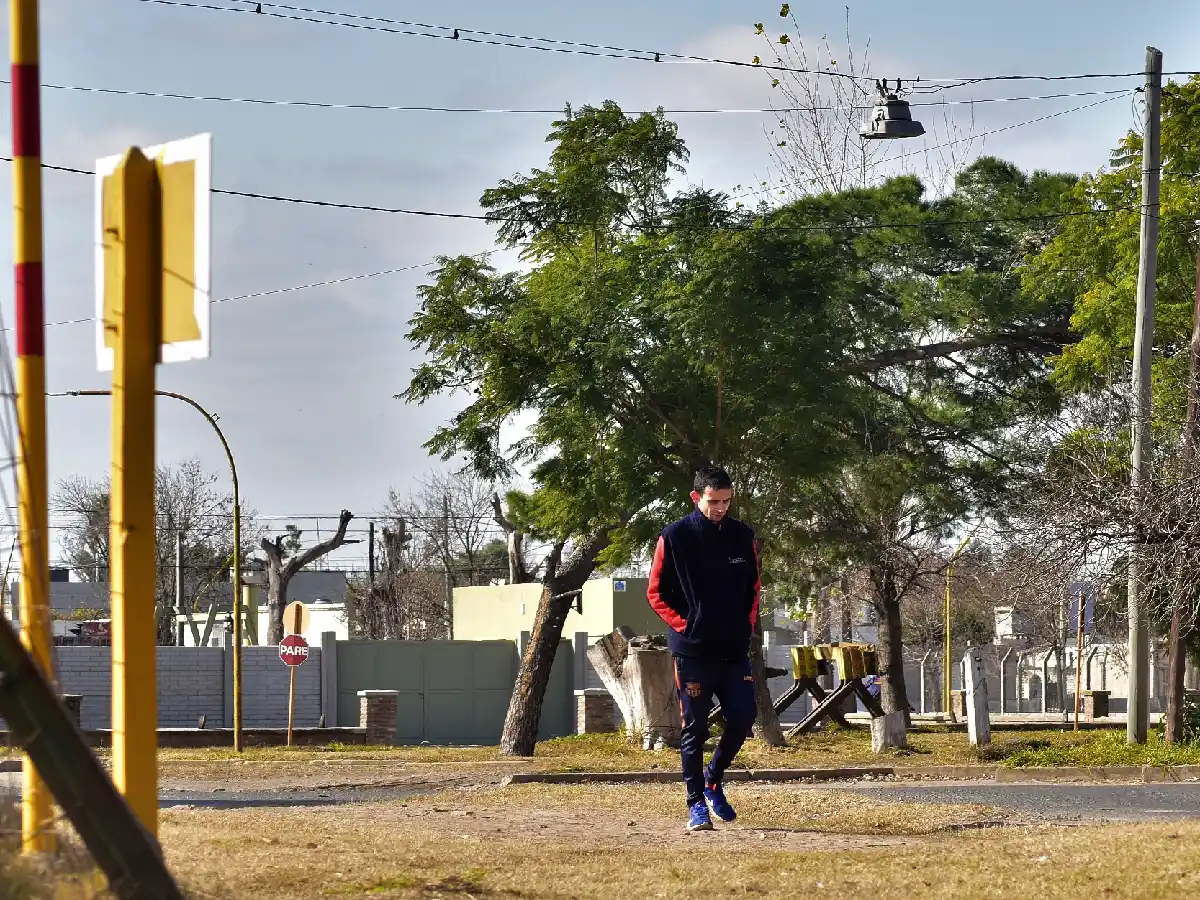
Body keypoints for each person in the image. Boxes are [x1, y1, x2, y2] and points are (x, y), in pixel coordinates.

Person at [647, 464, 761, 832]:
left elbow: (754, 590)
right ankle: (695, 803)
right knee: (694, 729)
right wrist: (688, 627)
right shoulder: (674, 537)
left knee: (744, 717)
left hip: (733, 650)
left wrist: (745, 625)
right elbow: (655, 594)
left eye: (727, 501)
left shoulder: (744, 536)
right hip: (693, 653)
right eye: (714, 501)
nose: (721, 508)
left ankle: (714, 779)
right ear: (697, 498)